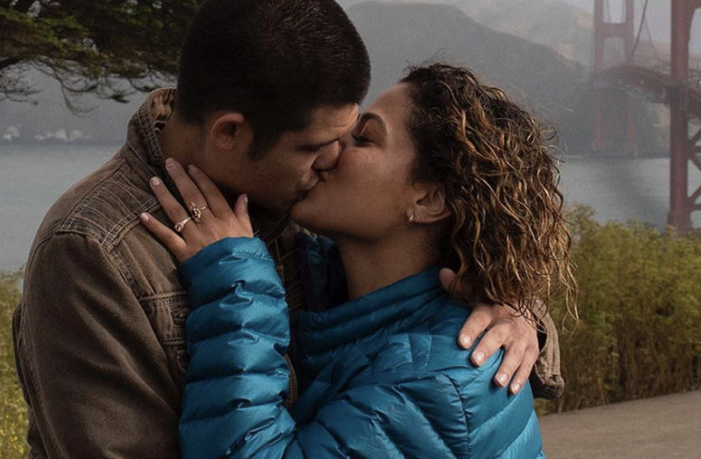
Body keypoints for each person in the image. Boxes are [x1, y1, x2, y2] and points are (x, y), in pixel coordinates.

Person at [13, 0, 559, 459]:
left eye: (355, 138)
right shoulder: (94, 248)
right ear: (230, 133)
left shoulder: (301, 212)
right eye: (316, 145)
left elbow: (436, 343)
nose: (333, 158)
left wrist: (516, 310)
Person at [145, 62, 573, 459]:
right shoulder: (342, 296)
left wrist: (234, 285)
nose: (329, 152)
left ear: (427, 199)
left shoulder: (442, 379)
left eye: (364, 138)